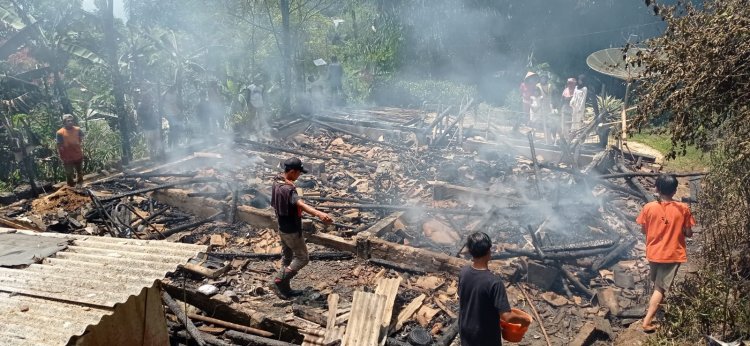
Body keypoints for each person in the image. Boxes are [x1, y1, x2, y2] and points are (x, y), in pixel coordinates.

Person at [636, 174, 696, 332]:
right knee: (660, 288)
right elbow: (689, 233)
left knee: (658, 283)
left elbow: (643, 229)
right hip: (672, 254)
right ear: (675, 190)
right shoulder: (683, 209)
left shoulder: (648, 207)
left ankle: (657, 306)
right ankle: (647, 322)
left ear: (656, 188)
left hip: (654, 252)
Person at [271, 157, 333, 299]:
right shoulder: (289, 191)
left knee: (287, 258)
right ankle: (277, 280)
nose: (299, 176)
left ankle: (285, 288)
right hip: (292, 230)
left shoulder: (277, 181)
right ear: (292, 171)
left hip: (281, 226)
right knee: (303, 258)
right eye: (298, 173)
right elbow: (301, 205)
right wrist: (319, 214)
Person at [459, 232, 531, 346]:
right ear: (488, 251)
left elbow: (466, 297)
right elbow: (506, 317)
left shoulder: (464, 272)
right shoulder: (494, 283)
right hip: (484, 336)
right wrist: (524, 320)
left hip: (466, 329)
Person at [56, 114, 84, 187]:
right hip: (67, 157)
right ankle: (70, 186)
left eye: (72, 121)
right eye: (68, 121)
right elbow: (59, 145)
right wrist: (62, 156)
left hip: (77, 154)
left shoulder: (78, 129)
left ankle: (80, 184)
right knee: (69, 173)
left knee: (79, 171)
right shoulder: (60, 132)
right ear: (64, 122)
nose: (70, 122)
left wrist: (77, 144)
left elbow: (81, 137)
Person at [137, 93, 164, 160]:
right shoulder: (141, 107)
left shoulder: (152, 106)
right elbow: (147, 115)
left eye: (150, 98)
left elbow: (156, 115)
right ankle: (152, 157)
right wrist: (149, 106)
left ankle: (159, 155)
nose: (149, 100)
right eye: (148, 98)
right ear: (144, 99)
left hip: (155, 126)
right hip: (147, 128)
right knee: (150, 143)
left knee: (157, 141)